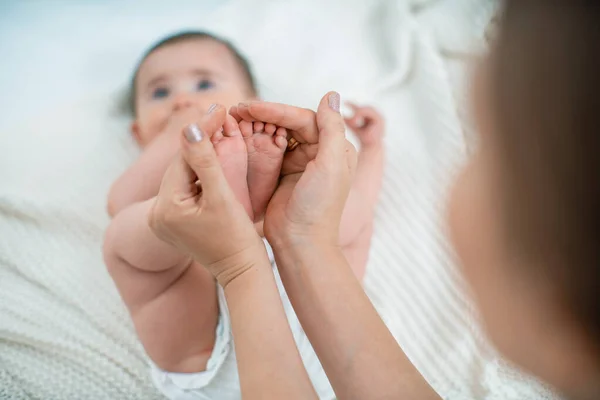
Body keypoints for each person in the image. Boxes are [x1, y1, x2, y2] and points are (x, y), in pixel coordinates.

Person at [147, 1, 600, 399]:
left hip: (264, 312)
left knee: (349, 220)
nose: (182, 99)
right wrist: (297, 236)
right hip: (217, 330)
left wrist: (242, 266)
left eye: (489, 148)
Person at [103, 30, 385, 398]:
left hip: (319, 330)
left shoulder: (289, 168)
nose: (182, 100)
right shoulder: (148, 167)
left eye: (204, 82)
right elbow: (119, 203)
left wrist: (373, 149)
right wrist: (179, 139)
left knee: (345, 211)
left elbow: (360, 193)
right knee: (126, 234)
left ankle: (239, 202)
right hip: (204, 349)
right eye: (160, 93)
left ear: (250, 104)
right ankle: (220, 203)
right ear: (138, 134)